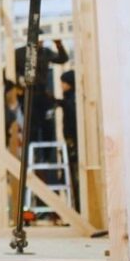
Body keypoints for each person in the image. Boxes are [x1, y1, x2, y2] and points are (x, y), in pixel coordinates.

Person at [55, 70, 79, 211]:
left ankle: (78, 211)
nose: (62, 85)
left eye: (64, 82)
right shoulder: (68, 98)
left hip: (73, 144)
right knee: (68, 177)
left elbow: (71, 117)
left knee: (73, 178)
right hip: (70, 143)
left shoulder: (72, 100)